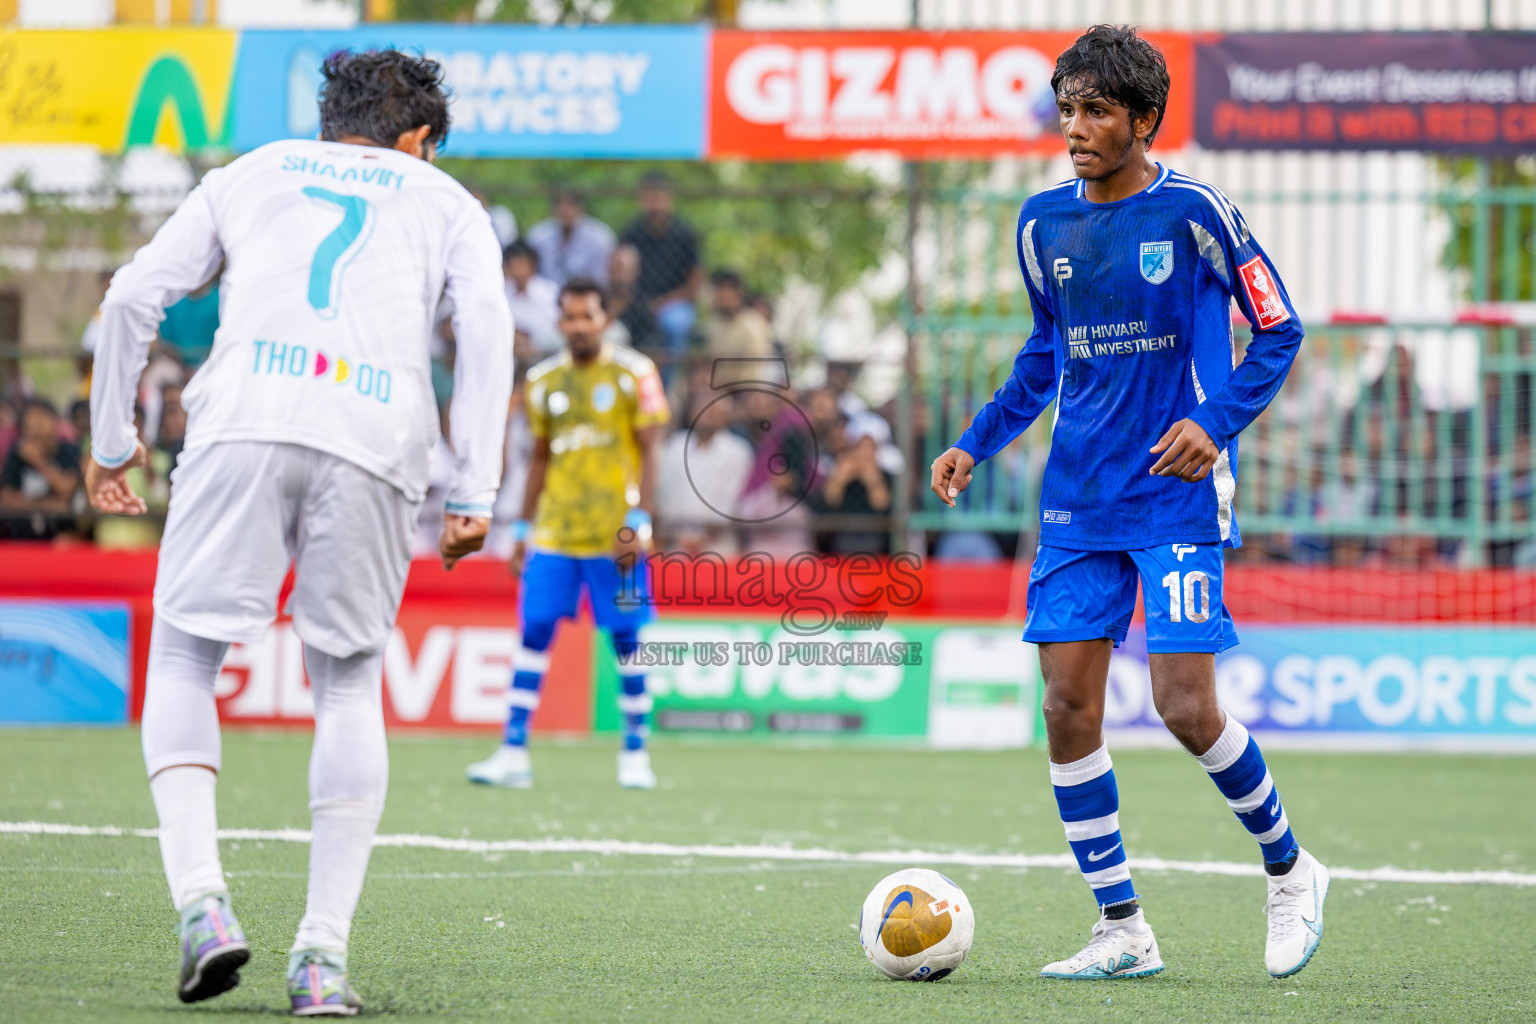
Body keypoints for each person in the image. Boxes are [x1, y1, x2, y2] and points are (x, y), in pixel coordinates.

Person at [84, 50, 512, 1013]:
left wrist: (114, 445)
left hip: (240, 420)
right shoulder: (446, 204)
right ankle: (319, 960)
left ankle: (203, 905)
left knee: (187, 661)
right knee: (349, 682)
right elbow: (486, 325)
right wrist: (473, 488)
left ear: (332, 123)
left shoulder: (251, 172)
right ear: (417, 139)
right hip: (375, 438)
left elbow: (128, 297)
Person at [929, 25, 1321, 982]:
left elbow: (1278, 328)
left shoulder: (1196, 212)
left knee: (1185, 707)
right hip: (1076, 501)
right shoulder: (1039, 225)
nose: (1077, 127)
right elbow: (1042, 356)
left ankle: (1290, 869)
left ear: (1145, 119)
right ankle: (1122, 928)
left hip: (1176, 494)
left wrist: (1214, 423)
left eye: (1098, 110)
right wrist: (976, 440)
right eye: (1068, 108)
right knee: (1067, 708)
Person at [467, 277, 668, 791]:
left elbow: (650, 451)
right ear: (559, 322)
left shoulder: (635, 373)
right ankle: (513, 751)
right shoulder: (542, 380)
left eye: (588, 316)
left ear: (605, 320)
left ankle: (635, 752)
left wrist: (640, 521)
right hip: (555, 532)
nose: (578, 326)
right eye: (570, 317)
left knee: (626, 640)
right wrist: (521, 527)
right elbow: (537, 458)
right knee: (533, 634)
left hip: (613, 533)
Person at [619, 172, 701, 376]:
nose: (654, 204)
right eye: (649, 198)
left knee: (674, 325)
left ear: (669, 199)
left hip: (675, 302)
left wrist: (664, 302)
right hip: (637, 301)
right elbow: (621, 277)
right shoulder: (632, 233)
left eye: (659, 198)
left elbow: (694, 284)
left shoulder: (684, 234)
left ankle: (666, 387)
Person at [657, 391, 753, 555]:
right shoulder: (675, 446)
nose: (707, 413)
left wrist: (705, 537)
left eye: (714, 408)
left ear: (727, 414)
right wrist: (676, 536)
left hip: (720, 547)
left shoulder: (738, 451)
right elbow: (664, 493)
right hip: (676, 544)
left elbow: (734, 500)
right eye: (702, 406)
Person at [0, 398, 82, 540]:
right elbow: (7, 498)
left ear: (55, 423)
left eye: (40, 423)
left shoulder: (70, 451)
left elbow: (67, 491)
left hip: (62, 533)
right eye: (29, 426)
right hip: (21, 534)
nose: (35, 430)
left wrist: (38, 462)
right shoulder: (16, 453)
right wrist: (46, 504)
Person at [525, 188, 616, 286]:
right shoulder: (538, 236)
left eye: (570, 205)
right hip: (545, 295)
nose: (565, 211)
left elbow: (601, 278)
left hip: (586, 292)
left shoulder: (600, 238)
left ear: (580, 208)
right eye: (560, 205)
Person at [502, 240, 561, 357]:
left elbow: (556, 331)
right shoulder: (502, 292)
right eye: (513, 262)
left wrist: (531, 342)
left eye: (521, 262)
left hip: (542, 355)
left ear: (532, 264)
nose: (517, 267)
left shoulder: (549, 293)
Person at [703, 268, 773, 361]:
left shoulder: (754, 324)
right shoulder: (713, 325)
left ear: (738, 293)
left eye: (723, 290)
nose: (718, 295)